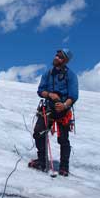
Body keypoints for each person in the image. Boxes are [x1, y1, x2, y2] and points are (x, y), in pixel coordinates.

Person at [29, 48, 78, 176]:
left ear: (65, 61)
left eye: (60, 57)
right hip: (49, 108)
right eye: (57, 55)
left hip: (63, 111)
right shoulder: (48, 73)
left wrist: (64, 105)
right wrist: (50, 95)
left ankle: (64, 167)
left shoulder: (71, 75)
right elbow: (40, 91)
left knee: (63, 139)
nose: (57, 57)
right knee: (38, 133)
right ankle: (42, 161)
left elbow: (73, 96)